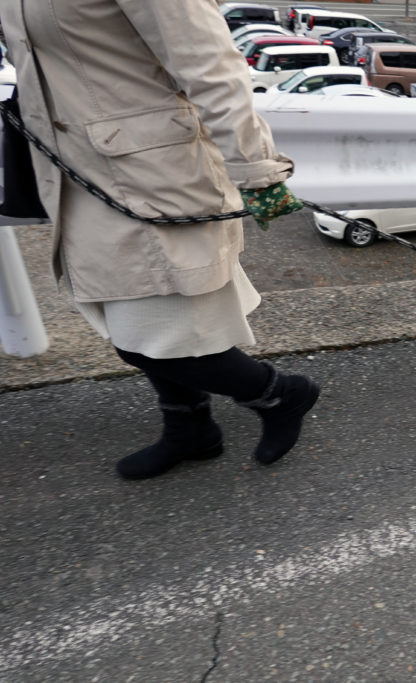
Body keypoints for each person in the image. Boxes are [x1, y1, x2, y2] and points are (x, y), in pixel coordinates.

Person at [0, 0, 320, 479]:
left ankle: (279, 394)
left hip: (153, 173)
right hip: (80, 175)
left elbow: (208, 62)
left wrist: (257, 171)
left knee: (148, 334)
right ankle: (190, 429)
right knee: (129, 320)